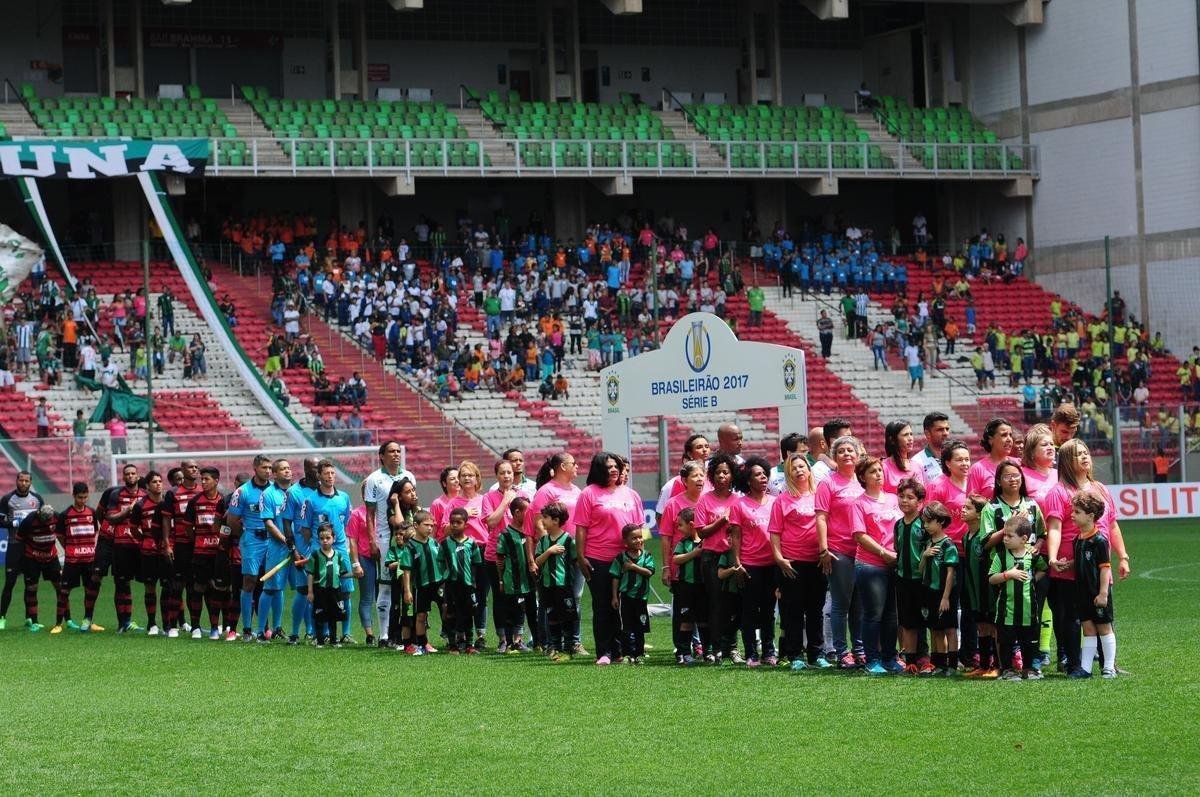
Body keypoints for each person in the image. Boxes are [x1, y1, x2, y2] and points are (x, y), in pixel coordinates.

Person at [575, 451, 644, 665]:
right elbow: (581, 529)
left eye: (616, 466)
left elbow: (640, 528)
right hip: (599, 558)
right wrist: (580, 556)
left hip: (627, 559)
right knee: (604, 606)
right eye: (608, 467)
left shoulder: (631, 494)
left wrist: (640, 555)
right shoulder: (589, 494)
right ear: (598, 470)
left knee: (626, 607)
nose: (614, 469)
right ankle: (604, 651)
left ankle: (623, 650)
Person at [814, 436, 865, 668]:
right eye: (842, 451)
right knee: (840, 603)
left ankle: (859, 649)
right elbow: (821, 517)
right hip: (839, 550)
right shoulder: (828, 483)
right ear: (834, 457)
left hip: (863, 551)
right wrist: (824, 548)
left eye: (850, 450)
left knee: (859, 604)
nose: (847, 454)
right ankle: (841, 651)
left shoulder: (862, 481)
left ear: (858, 455)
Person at [851, 457, 904, 674]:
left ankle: (889, 657)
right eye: (872, 471)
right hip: (871, 564)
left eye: (880, 470)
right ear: (863, 477)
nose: (878, 474)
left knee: (892, 614)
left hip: (894, 563)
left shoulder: (893, 499)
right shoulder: (859, 503)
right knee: (873, 613)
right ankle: (872, 659)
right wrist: (883, 552)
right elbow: (859, 535)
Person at [363, 440, 416, 644]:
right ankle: (384, 634)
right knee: (385, 584)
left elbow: (412, 503)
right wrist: (372, 540)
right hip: (385, 537)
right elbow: (370, 514)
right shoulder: (374, 480)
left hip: (408, 537)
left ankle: (405, 632)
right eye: (391, 451)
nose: (395, 454)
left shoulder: (408, 476)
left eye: (397, 451)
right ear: (382, 456)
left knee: (408, 582)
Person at [301, 459, 357, 644]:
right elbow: (306, 528)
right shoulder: (310, 500)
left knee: (345, 592)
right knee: (321, 593)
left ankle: (346, 633)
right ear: (319, 476)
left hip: (340, 549)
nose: (330, 476)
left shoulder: (344, 497)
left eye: (333, 473)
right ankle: (321, 632)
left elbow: (346, 523)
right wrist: (316, 547)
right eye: (326, 473)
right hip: (320, 551)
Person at [729, 457, 777, 666]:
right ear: (748, 480)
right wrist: (737, 562)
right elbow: (736, 536)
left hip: (773, 564)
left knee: (768, 610)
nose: (763, 477)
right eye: (758, 475)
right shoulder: (739, 505)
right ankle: (750, 652)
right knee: (748, 610)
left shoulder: (776, 502)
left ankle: (768, 651)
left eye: (765, 474)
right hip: (750, 564)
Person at [694, 453, 742, 663]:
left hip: (733, 557)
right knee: (716, 603)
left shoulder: (738, 499)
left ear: (732, 475)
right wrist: (723, 520)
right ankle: (714, 648)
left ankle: (732, 647)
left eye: (726, 472)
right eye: (718, 472)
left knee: (734, 604)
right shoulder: (705, 499)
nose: (722, 475)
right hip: (711, 557)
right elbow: (701, 532)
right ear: (711, 476)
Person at [988, 514, 1048, 680]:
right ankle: (1007, 670)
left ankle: (1028, 669)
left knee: (1028, 642)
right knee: (1006, 641)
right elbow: (992, 578)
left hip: (1028, 609)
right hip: (1006, 610)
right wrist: (1008, 575)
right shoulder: (1000, 556)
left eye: (1009, 536)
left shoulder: (1032, 556)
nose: (1005, 539)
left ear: (1023, 539)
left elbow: (1043, 568)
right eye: (1004, 535)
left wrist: (1032, 580)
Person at [1071, 491, 1117, 679]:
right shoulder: (1077, 540)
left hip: (1097, 592)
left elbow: (1105, 568)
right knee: (1088, 629)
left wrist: (1103, 593)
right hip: (1082, 593)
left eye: (1077, 512)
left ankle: (1109, 667)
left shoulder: (1099, 540)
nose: (1072, 515)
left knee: (1104, 627)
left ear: (1090, 516)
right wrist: (1069, 564)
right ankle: (1086, 669)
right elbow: (1082, 562)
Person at [183, 466, 228, 640]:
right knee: (198, 588)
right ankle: (195, 626)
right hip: (200, 553)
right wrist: (198, 541)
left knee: (218, 589)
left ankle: (216, 627)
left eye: (206, 479)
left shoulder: (223, 501)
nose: (203, 482)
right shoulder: (194, 502)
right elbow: (187, 526)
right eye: (201, 479)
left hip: (218, 553)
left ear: (216, 481)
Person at [53, 482, 102, 634]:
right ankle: (58, 624)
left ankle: (88, 620)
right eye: (80, 497)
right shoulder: (65, 514)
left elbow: (95, 531)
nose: (83, 500)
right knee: (64, 591)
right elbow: (60, 535)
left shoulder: (92, 513)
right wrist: (70, 548)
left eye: (85, 497)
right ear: (73, 496)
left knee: (90, 591)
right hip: (72, 560)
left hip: (89, 559)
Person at [161, 460, 201, 637]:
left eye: (196, 467)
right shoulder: (173, 493)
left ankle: (195, 626)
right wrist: (167, 544)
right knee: (176, 586)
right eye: (191, 467)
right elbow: (166, 520)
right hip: (180, 546)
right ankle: (171, 626)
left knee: (195, 587)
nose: (194, 469)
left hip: (199, 546)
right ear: (183, 470)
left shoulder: (203, 491)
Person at [0, 471, 44, 630]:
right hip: (14, 546)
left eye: (27, 481)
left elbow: (42, 520)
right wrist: (12, 523)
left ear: (30, 482)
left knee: (30, 584)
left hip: (31, 546)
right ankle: (2, 618)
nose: (24, 483)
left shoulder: (37, 499)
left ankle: (30, 618)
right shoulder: (7, 499)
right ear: (16, 481)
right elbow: (0, 521)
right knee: (10, 583)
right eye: (21, 480)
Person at [919, 501, 959, 676]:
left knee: (949, 629)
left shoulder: (948, 545)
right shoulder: (927, 543)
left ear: (940, 521)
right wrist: (924, 555)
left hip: (944, 593)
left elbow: (951, 573)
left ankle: (952, 665)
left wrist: (946, 597)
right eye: (924, 522)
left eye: (929, 522)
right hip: (929, 591)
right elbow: (921, 569)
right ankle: (939, 664)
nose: (926, 526)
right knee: (935, 629)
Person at [533, 502, 577, 662]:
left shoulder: (568, 540)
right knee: (552, 617)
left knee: (567, 618)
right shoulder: (544, 541)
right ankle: (555, 647)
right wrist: (549, 552)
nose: (542, 520)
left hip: (563, 586)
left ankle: (568, 649)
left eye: (545, 517)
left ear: (556, 520)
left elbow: (575, 560)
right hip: (547, 585)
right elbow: (536, 561)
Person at [396, 510, 444, 655]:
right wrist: (407, 591)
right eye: (426, 525)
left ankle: (454, 641)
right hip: (421, 586)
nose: (430, 528)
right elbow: (406, 571)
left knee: (448, 610)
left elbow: (442, 562)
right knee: (420, 616)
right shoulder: (410, 547)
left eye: (431, 525)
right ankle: (422, 644)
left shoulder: (434, 543)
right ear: (416, 525)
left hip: (438, 584)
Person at [129, 471, 169, 636]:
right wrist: (145, 539)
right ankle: (152, 623)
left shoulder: (168, 502)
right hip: (148, 553)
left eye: (160, 481)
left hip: (166, 552)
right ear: (147, 486)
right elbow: (133, 528)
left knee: (168, 587)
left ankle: (167, 624)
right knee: (150, 588)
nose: (158, 484)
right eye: (154, 482)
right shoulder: (140, 505)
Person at [609, 524, 655, 664]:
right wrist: (614, 596)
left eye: (640, 537)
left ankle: (639, 653)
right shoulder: (621, 558)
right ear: (625, 542)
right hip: (626, 597)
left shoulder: (647, 556)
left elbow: (649, 572)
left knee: (640, 627)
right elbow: (615, 577)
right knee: (627, 627)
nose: (638, 540)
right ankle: (628, 654)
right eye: (634, 538)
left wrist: (633, 567)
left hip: (641, 598)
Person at [439, 507, 482, 654]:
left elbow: (476, 564)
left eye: (458, 522)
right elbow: (440, 562)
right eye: (452, 522)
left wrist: (474, 582)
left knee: (469, 612)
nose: (455, 525)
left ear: (466, 524)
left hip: (468, 585)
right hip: (451, 585)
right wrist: (444, 578)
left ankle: (469, 645)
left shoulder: (472, 543)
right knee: (450, 613)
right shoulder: (445, 544)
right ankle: (453, 645)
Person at [15, 505, 60, 631]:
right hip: (32, 558)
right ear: (39, 513)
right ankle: (34, 622)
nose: (46, 523)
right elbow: (19, 539)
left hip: (51, 557)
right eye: (43, 520)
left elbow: (62, 534)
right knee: (32, 588)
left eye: (48, 521)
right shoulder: (29, 520)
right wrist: (21, 562)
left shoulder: (56, 517)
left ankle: (67, 620)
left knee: (61, 587)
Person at [306, 523, 351, 648]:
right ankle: (319, 640)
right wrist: (310, 591)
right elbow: (310, 574)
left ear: (333, 538)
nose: (325, 541)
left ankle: (333, 640)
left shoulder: (338, 555)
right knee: (319, 615)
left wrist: (355, 575)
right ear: (318, 539)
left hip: (335, 590)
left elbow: (342, 574)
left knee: (333, 615)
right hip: (320, 590)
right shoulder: (315, 555)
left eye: (327, 538)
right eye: (322, 538)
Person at [670, 507, 704, 666]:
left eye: (680, 525)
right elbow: (676, 560)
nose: (678, 528)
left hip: (703, 588)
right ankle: (684, 652)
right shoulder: (683, 543)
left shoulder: (706, 542)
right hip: (686, 588)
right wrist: (694, 554)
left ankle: (708, 651)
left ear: (691, 524)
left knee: (704, 620)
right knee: (686, 621)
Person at [967, 418, 1015, 500]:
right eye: (1004, 435)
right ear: (990, 440)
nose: (1009, 439)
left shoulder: (1018, 464)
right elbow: (971, 504)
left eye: (1010, 435)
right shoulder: (978, 469)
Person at [882, 420, 925, 494]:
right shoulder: (883, 467)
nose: (910, 438)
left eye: (911, 434)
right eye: (905, 435)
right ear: (892, 440)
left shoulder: (917, 466)